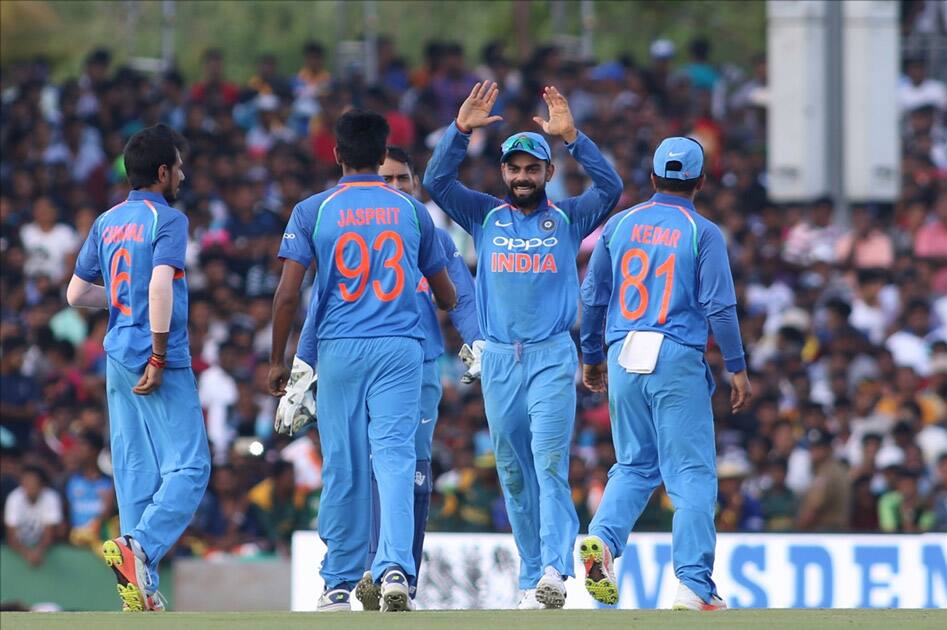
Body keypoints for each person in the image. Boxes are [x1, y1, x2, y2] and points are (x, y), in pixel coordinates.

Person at [423, 81, 622, 609]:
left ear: (548, 174)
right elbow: (435, 180)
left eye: (532, 168)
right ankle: (533, 576)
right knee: (512, 470)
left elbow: (612, 188)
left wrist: (574, 137)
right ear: (503, 173)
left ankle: (556, 569)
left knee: (548, 462)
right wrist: (460, 130)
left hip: (552, 356)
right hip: (499, 359)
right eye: (514, 168)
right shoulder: (485, 215)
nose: (522, 176)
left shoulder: (569, 218)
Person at [268, 109, 456, 613]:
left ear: (336, 155)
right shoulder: (413, 211)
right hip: (400, 346)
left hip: (339, 347)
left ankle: (337, 584)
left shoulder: (314, 210)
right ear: (381, 156)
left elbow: (288, 295)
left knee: (344, 465)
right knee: (394, 458)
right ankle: (395, 569)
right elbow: (444, 292)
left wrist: (279, 361)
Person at [578, 136, 751, 610]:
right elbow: (720, 306)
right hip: (674, 354)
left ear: (652, 178)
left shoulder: (619, 224)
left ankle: (604, 543)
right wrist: (736, 367)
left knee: (633, 464)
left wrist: (591, 355)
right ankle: (693, 585)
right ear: (701, 181)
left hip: (622, 352)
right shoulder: (702, 231)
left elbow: (593, 296)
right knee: (690, 472)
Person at [66, 123, 211, 612]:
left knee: (133, 470)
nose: (184, 176)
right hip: (156, 355)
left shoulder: (106, 220)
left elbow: (77, 294)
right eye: (180, 167)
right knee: (190, 465)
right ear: (164, 171)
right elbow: (159, 287)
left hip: (115, 353)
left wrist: (122, 304)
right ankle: (140, 548)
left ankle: (139, 590)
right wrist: (158, 351)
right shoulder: (167, 219)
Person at [4, 465, 63, 568]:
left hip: (41, 546)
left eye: (33, 482)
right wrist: (27, 553)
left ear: (42, 484)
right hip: (21, 546)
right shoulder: (14, 498)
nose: (29, 486)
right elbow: (11, 536)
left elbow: (50, 534)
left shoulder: (51, 498)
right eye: (26, 482)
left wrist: (38, 552)